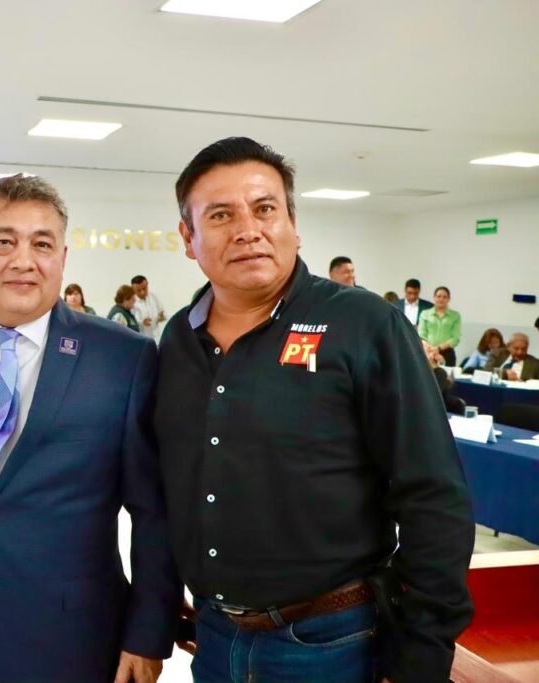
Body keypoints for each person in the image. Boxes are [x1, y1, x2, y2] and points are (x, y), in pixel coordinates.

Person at [155, 137, 474, 683]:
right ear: (189, 238)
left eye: (264, 209)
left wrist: (422, 648)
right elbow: (169, 484)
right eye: (221, 215)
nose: (248, 230)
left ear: (293, 224)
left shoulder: (364, 324)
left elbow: (432, 492)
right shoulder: (179, 340)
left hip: (331, 643)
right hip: (213, 637)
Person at [0, 174, 180, 683]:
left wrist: (147, 633)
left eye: (42, 244)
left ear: (63, 257)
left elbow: (153, 511)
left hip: (73, 640)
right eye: (3, 242)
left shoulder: (122, 357)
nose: (23, 260)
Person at [418, 286, 461, 367]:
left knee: (446, 375)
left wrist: (438, 348)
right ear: (434, 298)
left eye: (444, 297)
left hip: (447, 353)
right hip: (428, 353)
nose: (441, 299)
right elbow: (421, 335)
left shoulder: (455, 316)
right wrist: (431, 351)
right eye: (438, 296)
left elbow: (455, 338)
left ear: (449, 299)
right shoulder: (425, 314)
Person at [131, 275, 167, 341]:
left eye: (144, 288)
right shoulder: (131, 303)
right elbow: (131, 323)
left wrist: (162, 317)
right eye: (138, 290)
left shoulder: (154, 296)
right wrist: (142, 322)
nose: (142, 292)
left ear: (147, 284)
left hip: (157, 336)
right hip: (141, 338)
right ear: (133, 289)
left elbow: (162, 312)